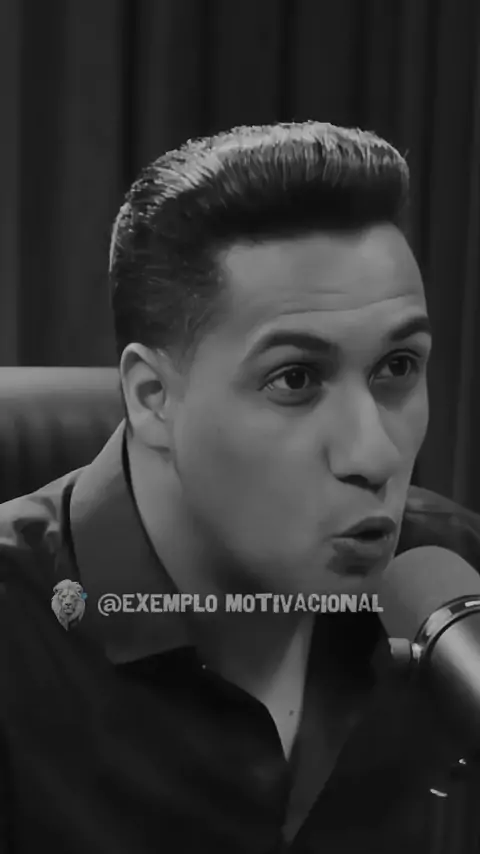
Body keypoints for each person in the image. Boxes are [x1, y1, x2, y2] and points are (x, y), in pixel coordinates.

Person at [2, 121, 480, 854]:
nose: (374, 453)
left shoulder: (457, 588)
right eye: (295, 378)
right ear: (152, 397)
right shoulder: (20, 638)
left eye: (397, 368)